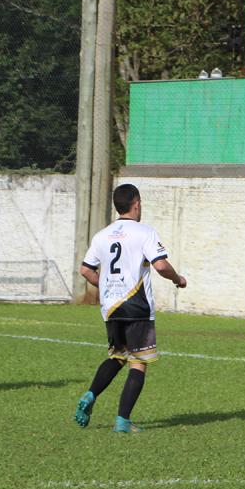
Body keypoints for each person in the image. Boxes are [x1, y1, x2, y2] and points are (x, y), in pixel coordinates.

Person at [74, 184, 187, 433]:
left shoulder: (102, 235)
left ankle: (91, 395)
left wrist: (104, 286)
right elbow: (161, 266)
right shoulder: (144, 232)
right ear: (136, 204)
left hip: (111, 307)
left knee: (117, 356)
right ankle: (123, 421)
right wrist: (177, 278)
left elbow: (85, 269)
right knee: (138, 362)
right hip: (136, 306)